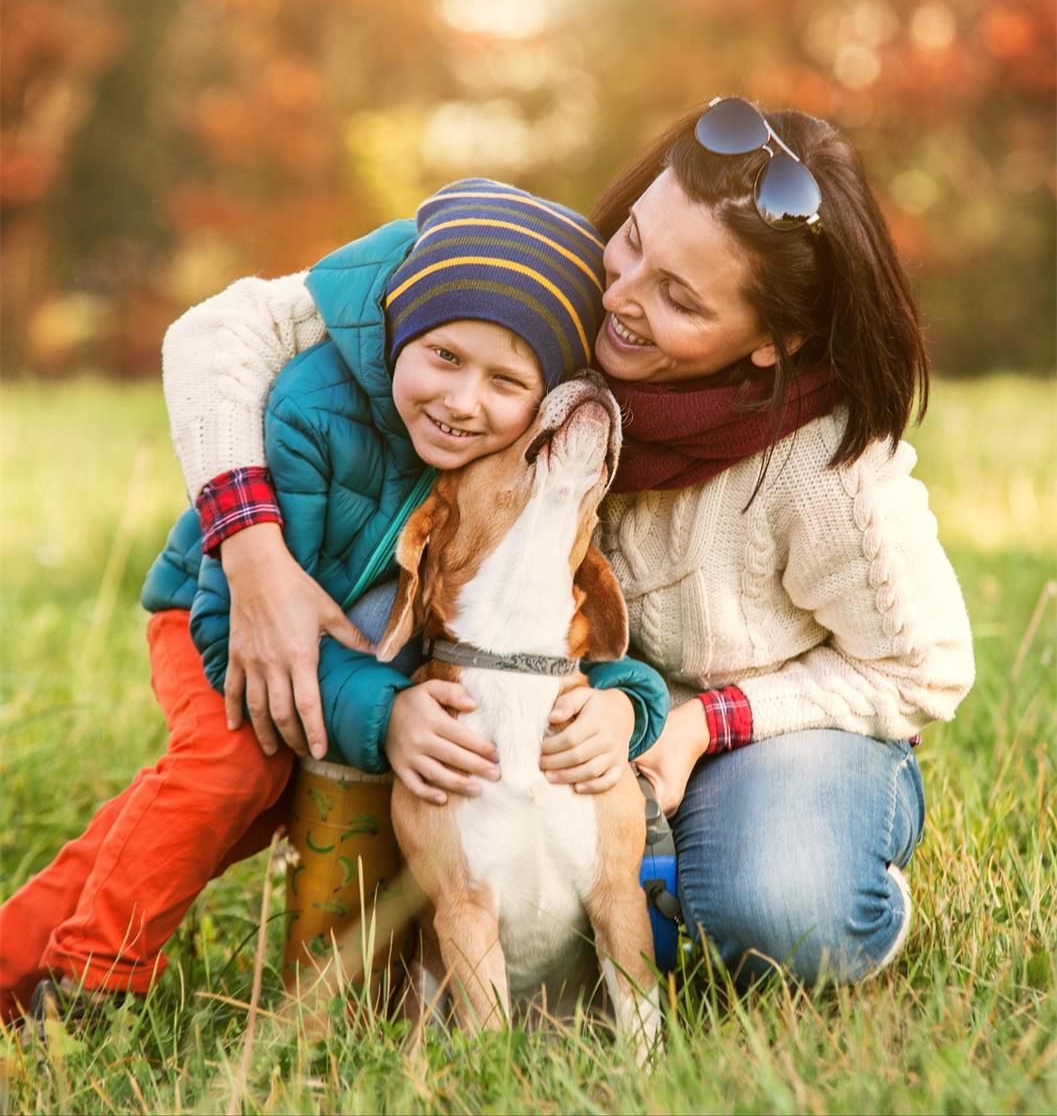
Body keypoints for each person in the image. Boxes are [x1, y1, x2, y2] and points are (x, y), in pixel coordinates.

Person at [127, 99, 975, 989]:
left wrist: (697, 724)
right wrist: (251, 549)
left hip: (765, 727)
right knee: (376, 605)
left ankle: (798, 882)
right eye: (635, 240)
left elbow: (922, 669)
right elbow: (220, 331)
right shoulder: (553, 291)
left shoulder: (828, 474)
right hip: (566, 704)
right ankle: (376, 947)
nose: (619, 299)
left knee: (782, 919)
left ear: (773, 343)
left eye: (677, 299)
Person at [0, 179, 669, 1022]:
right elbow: (234, 625)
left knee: (222, 815)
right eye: (445, 358)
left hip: (351, 646)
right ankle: (95, 980)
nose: (462, 402)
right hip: (219, 615)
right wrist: (384, 713)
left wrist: (631, 703)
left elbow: (541, 637)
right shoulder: (310, 412)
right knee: (235, 770)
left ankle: (9, 967)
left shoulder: (508, 465)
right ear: (402, 331)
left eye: (507, 380)